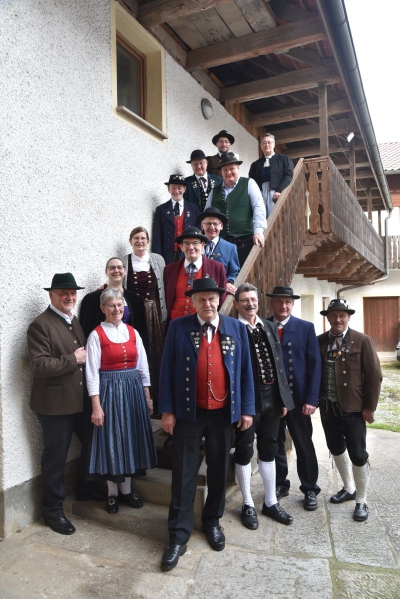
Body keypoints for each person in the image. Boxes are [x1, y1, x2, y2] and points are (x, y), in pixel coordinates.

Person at [159, 278, 255, 571]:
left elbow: (245, 371)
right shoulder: (178, 327)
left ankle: (213, 522)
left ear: (219, 300)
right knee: (184, 474)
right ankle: (178, 535)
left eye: (212, 299)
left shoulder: (236, 328)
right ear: (193, 302)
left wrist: (247, 409)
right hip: (189, 414)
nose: (207, 304)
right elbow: (166, 371)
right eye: (201, 300)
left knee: (217, 470)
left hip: (223, 414)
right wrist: (167, 411)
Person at [85, 288, 157, 514]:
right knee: (112, 439)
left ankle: (127, 490)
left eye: (120, 305)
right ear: (103, 308)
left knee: (130, 437)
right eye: (112, 305)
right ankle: (112, 493)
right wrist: (96, 406)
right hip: (109, 391)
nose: (116, 309)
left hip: (133, 390)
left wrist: (147, 396)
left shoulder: (133, 332)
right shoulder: (96, 335)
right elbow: (91, 373)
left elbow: (143, 367)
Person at [27, 273, 87, 535]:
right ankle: (52, 511)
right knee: (55, 459)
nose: (69, 297)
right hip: (54, 406)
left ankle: (87, 487)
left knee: (95, 443)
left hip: (79, 401)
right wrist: (73, 359)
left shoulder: (73, 319)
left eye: (73, 293)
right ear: (51, 295)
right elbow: (38, 365)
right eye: (63, 293)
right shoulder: (40, 324)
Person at [233, 283, 295, 529]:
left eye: (253, 299)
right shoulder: (231, 328)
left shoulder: (268, 325)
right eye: (245, 300)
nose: (250, 304)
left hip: (271, 400)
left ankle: (270, 502)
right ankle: (247, 503)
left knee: (270, 449)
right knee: (244, 451)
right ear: (236, 304)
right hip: (248, 402)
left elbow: (278, 364)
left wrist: (282, 400)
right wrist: (239, 408)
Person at [318, 299, 382, 522]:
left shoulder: (362, 341)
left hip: (354, 408)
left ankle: (361, 500)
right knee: (335, 448)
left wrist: (369, 407)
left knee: (358, 454)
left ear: (348, 318)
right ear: (328, 317)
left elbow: (374, 376)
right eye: (334, 316)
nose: (338, 320)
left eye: (342, 316)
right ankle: (348, 488)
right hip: (327, 407)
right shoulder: (320, 341)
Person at [267, 286, 322, 511]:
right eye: (279, 301)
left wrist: (311, 399)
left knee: (303, 443)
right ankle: (280, 484)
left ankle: (310, 488)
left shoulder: (305, 328)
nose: (284, 306)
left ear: (293, 304)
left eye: (288, 302)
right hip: (271, 399)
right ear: (272, 304)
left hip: (298, 399)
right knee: (275, 443)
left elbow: (314, 365)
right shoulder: (263, 326)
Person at [122, 226, 166, 411]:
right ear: (130, 241)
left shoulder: (157, 259)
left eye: (143, 238)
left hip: (155, 311)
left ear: (148, 241)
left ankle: (157, 396)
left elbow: (164, 284)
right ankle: (139, 395)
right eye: (136, 238)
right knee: (139, 351)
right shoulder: (124, 261)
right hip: (135, 313)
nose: (140, 241)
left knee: (157, 351)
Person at [206, 152, 267, 267]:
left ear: (238, 168)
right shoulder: (214, 191)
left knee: (244, 277)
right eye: (225, 169)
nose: (228, 172)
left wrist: (258, 231)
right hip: (221, 242)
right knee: (223, 277)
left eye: (232, 168)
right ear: (221, 172)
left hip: (246, 240)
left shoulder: (249, 183)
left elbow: (258, 207)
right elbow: (207, 214)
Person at [79, 257, 149, 353]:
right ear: (106, 272)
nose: (116, 270)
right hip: (101, 351)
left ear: (124, 271)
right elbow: (85, 329)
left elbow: (142, 331)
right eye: (112, 268)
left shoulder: (135, 300)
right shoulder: (92, 299)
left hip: (130, 350)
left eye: (119, 267)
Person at [163, 226, 227, 324]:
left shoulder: (217, 268)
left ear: (202, 245)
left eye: (195, 243)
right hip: (175, 324)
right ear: (181, 247)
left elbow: (221, 298)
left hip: (204, 324)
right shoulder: (169, 270)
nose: (191, 247)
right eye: (186, 243)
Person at [152, 174, 200, 265]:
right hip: (168, 255)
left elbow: (199, 234)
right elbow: (157, 237)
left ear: (184, 189)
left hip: (189, 253)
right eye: (173, 187)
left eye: (179, 187)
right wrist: (157, 258)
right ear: (168, 189)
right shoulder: (161, 210)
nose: (176, 191)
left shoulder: (194, 209)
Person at [249, 133, 294, 218]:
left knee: (275, 217)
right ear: (261, 145)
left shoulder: (284, 159)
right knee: (260, 216)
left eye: (269, 142)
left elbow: (288, 176)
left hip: (276, 192)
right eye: (264, 143)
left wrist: (279, 190)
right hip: (260, 193)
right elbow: (251, 180)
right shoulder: (255, 164)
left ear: (274, 144)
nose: (267, 145)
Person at [196, 207, 240, 296]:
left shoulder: (230, 248)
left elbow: (234, 272)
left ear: (221, 226)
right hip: (196, 292)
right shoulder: (192, 246)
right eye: (208, 223)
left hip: (219, 294)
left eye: (215, 224)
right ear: (202, 226)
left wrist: (228, 283)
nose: (212, 227)